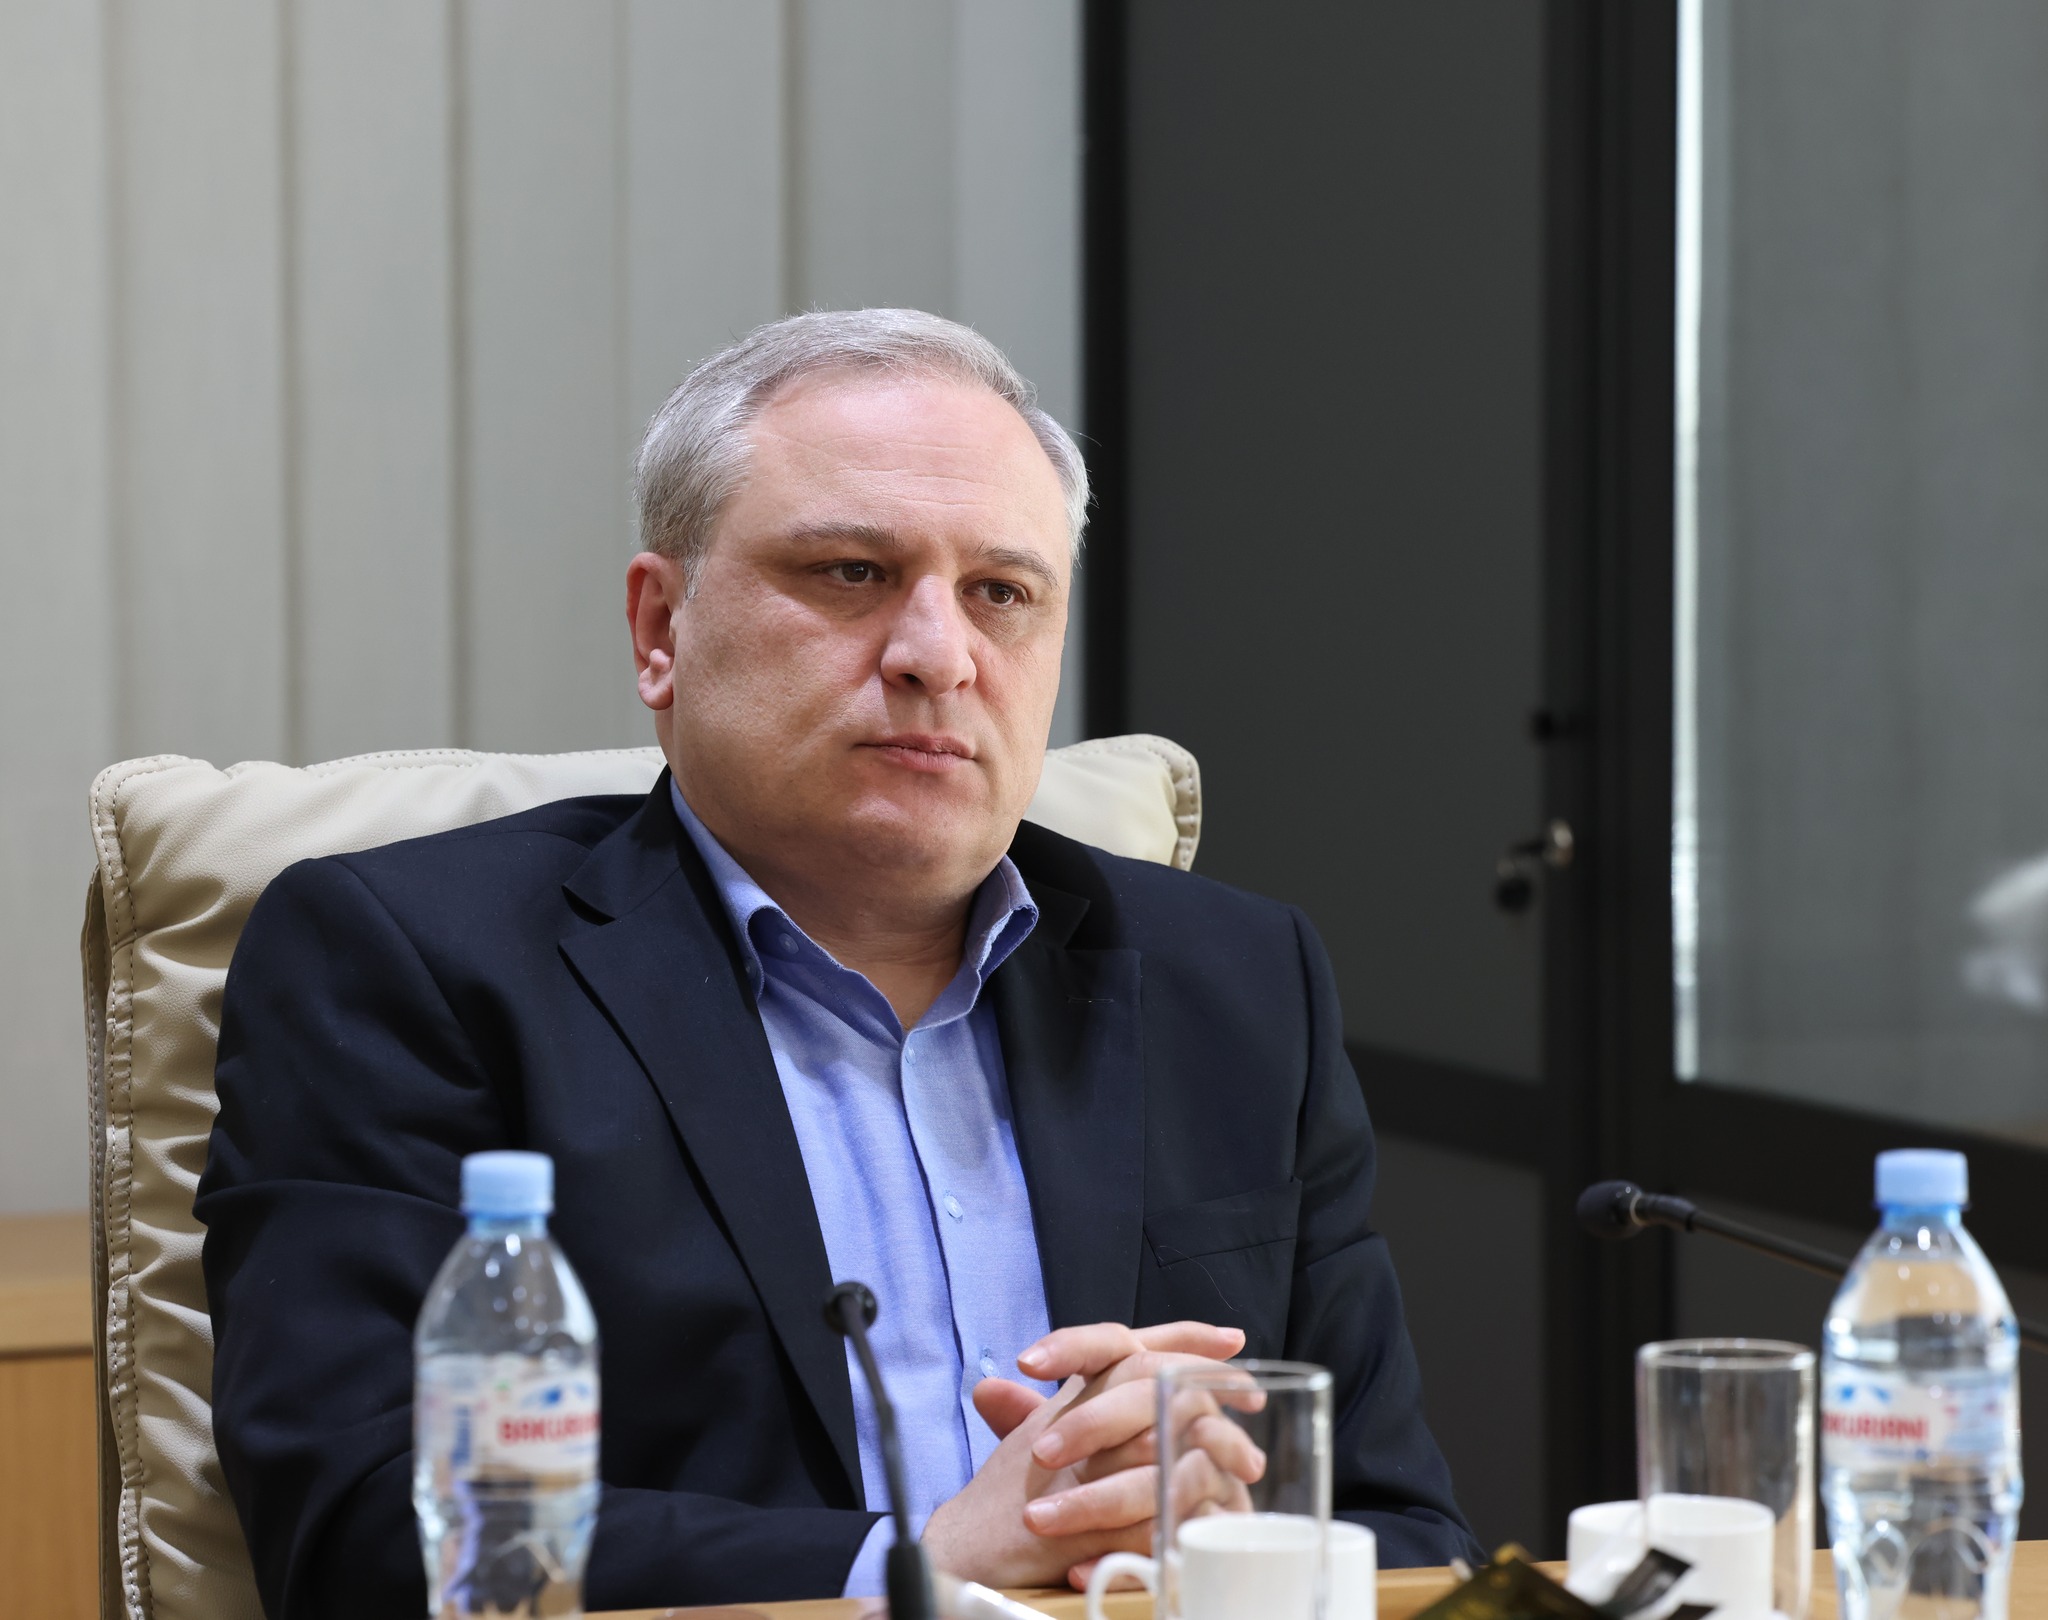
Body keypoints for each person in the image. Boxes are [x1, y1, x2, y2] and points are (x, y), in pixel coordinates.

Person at [197, 309, 1480, 1619]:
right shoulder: (407, 964)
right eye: (854, 572)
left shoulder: (1240, 981)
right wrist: (923, 1570)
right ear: (660, 629)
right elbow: (361, 1533)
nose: (939, 655)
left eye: (1002, 593)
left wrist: (1213, 1524)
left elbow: (1410, 1531)